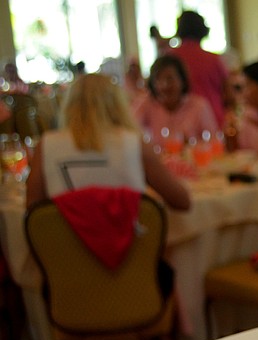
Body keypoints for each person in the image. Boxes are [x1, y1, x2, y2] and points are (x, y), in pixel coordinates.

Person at [26, 73, 190, 211]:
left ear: (69, 105)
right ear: (118, 104)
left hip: (65, 246)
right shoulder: (134, 144)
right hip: (132, 246)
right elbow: (183, 202)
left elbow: (33, 211)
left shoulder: (46, 145)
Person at [132, 55, 219, 150]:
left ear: (182, 80)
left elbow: (214, 142)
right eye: (158, 79)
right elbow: (129, 128)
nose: (164, 85)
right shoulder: (147, 104)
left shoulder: (199, 106)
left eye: (169, 79)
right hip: (159, 163)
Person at [170, 11, 230, 127]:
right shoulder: (214, 59)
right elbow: (228, 94)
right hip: (215, 121)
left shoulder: (170, 58)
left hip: (181, 124)